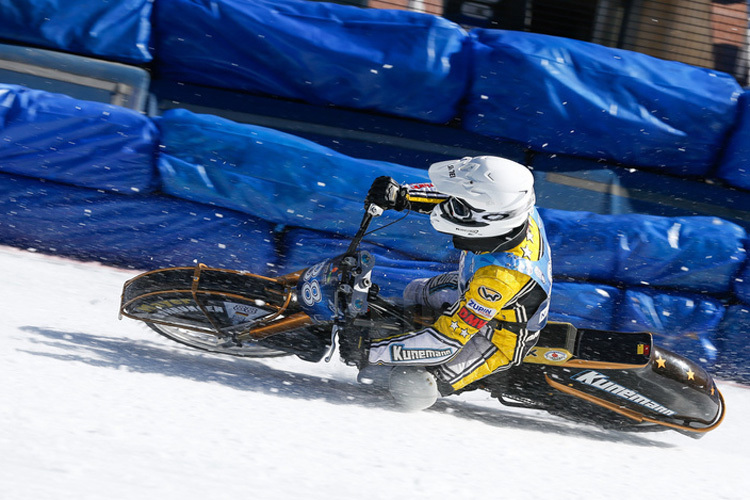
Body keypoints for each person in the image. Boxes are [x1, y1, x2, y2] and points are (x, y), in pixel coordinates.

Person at [340, 156, 552, 409]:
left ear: (487, 224)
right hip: (471, 287)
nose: (451, 209)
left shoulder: (498, 281)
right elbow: (458, 197)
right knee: (414, 291)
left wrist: (370, 351)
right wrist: (401, 195)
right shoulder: (514, 204)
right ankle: (397, 337)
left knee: (412, 385)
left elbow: (445, 342)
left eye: (460, 209)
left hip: (497, 335)